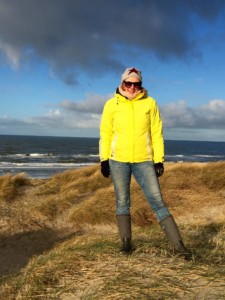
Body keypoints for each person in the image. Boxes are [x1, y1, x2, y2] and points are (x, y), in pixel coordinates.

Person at [99, 67, 192, 260]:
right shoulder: (111, 104)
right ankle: (126, 244)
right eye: (129, 83)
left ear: (141, 84)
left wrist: (159, 159)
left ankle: (179, 246)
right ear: (122, 83)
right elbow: (106, 133)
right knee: (122, 202)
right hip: (118, 160)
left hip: (144, 160)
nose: (132, 87)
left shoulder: (150, 103)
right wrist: (104, 159)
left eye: (136, 83)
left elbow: (157, 133)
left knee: (157, 201)